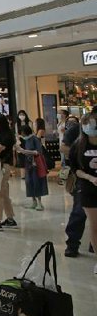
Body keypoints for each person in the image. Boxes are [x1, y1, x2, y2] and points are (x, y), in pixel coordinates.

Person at [69, 111, 97, 274]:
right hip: (88, 189)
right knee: (94, 226)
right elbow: (76, 169)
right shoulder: (79, 145)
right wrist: (90, 178)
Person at [17, 125, 48, 212]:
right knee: (29, 182)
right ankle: (33, 201)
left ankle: (39, 202)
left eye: (22, 132)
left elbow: (39, 152)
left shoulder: (34, 139)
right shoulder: (25, 140)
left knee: (36, 181)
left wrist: (25, 151)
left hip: (36, 164)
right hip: (28, 163)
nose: (22, 134)